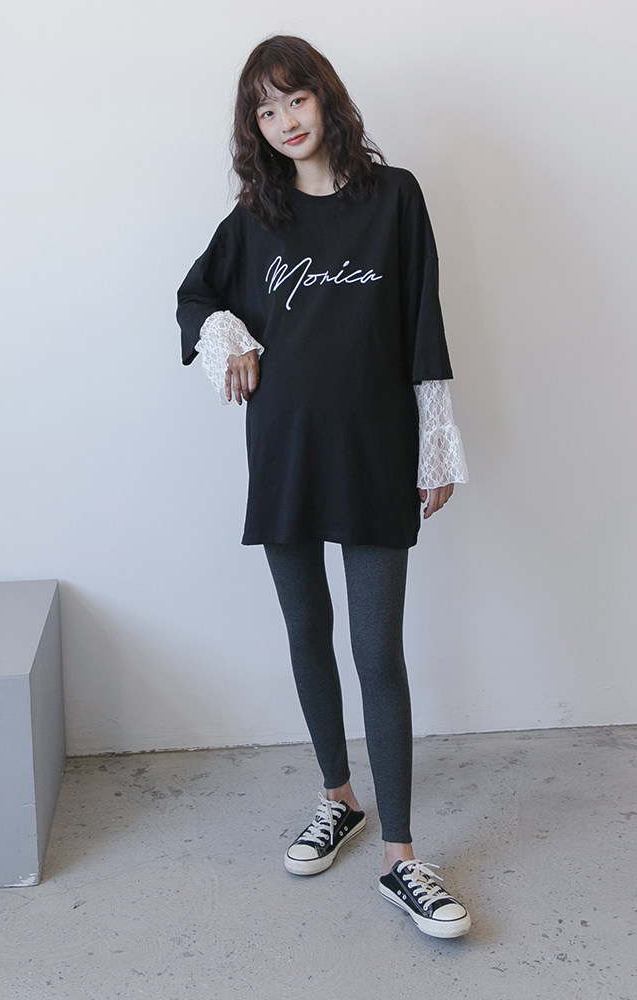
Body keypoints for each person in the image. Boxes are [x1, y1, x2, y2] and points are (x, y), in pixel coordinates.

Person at [177, 35, 470, 939]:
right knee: (307, 629)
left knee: (378, 651)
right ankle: (338, 799)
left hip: (376, 448)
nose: (284, 121)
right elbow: (194, 295)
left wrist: (437, 443)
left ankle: (402, 856)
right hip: (287, 451)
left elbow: (421, 319)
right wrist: (227, 331)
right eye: (264, 111)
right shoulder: (255, 218)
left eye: (294, 99)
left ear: (325, 98)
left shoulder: (395, 198)